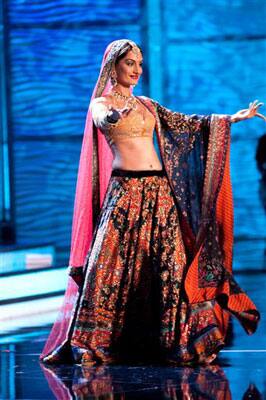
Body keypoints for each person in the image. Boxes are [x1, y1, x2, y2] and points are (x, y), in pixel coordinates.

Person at [40, 39, 265, 367]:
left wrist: (231, 119)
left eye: (140, 64)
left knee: (171, 267)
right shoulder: (100, 104)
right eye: (129, 63)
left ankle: (173, 341)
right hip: (125, 194)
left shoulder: (146, 104)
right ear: (113, 65)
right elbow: (106, 119)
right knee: (109, 269)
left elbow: (187, 125)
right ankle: (94, 341)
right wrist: (117, 112)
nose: (136, 70)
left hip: (160, 195)